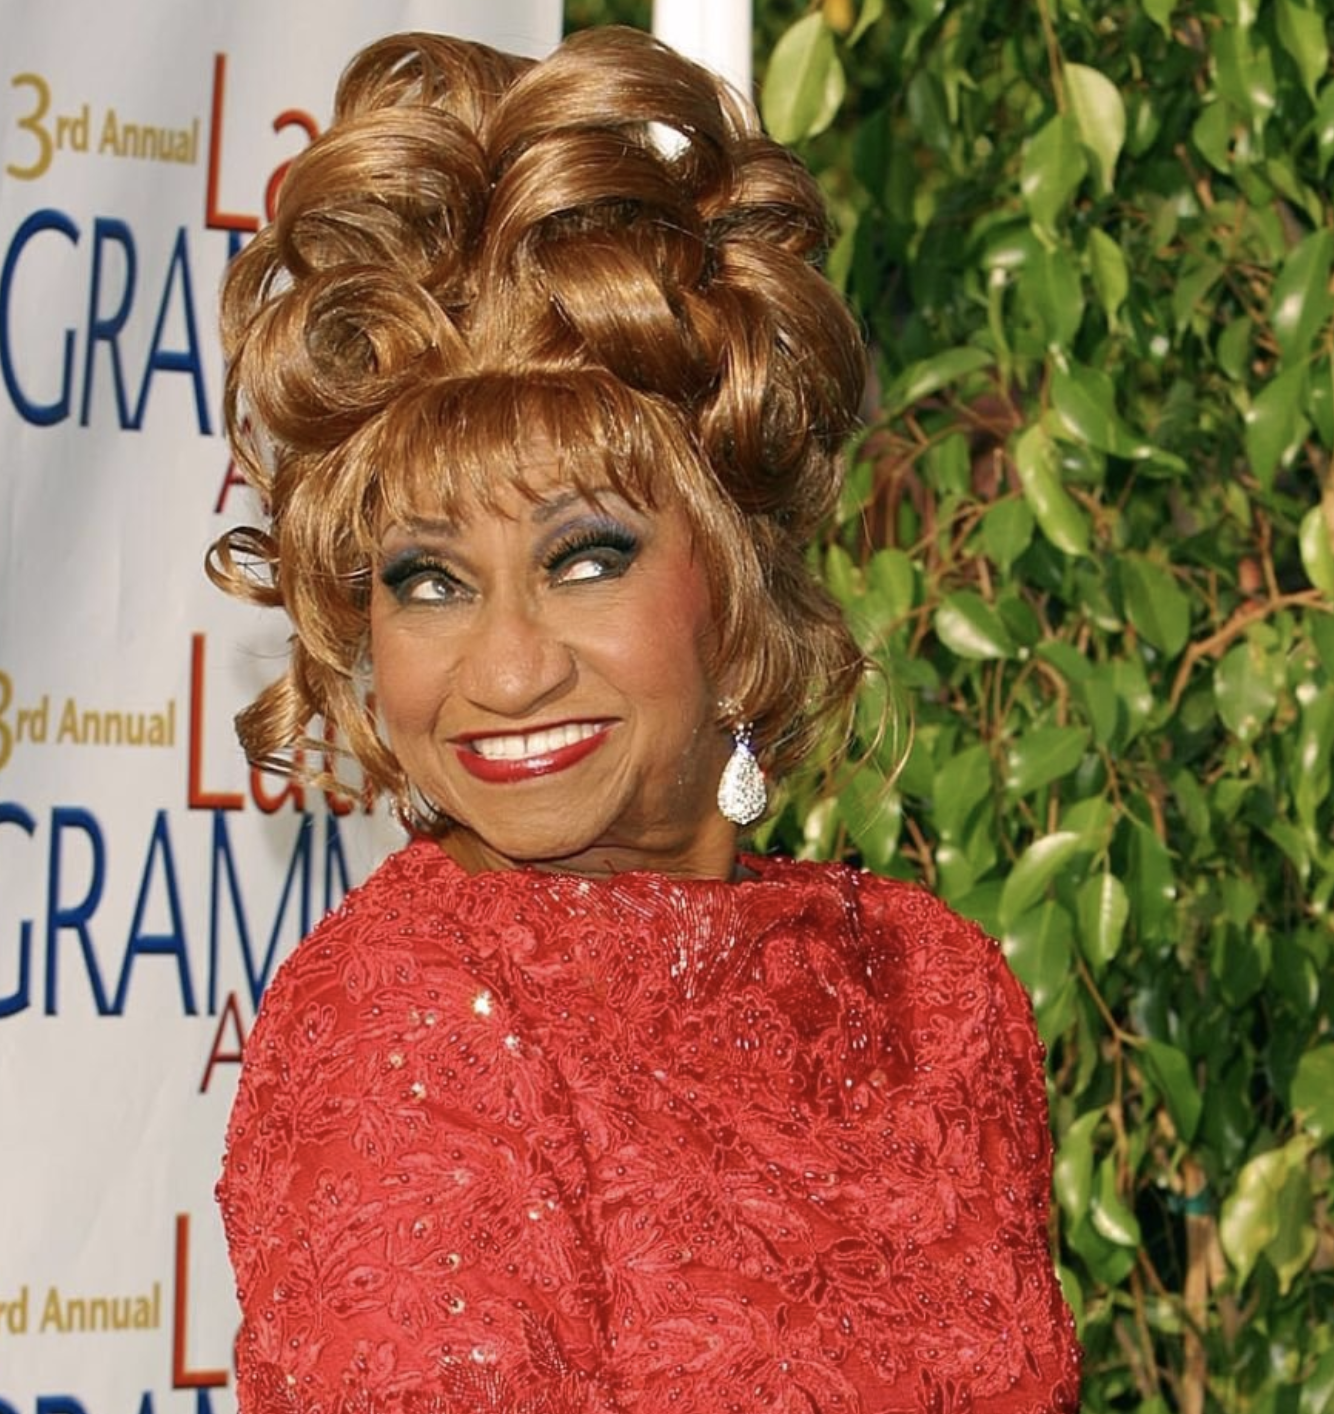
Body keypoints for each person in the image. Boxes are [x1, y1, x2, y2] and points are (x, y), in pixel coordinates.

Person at [211, 25, 1081, 1414]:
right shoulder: (409, 1015)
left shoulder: (933, 995)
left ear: (732, 591)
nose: (505, 671)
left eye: (585, 558)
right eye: (428, 580)